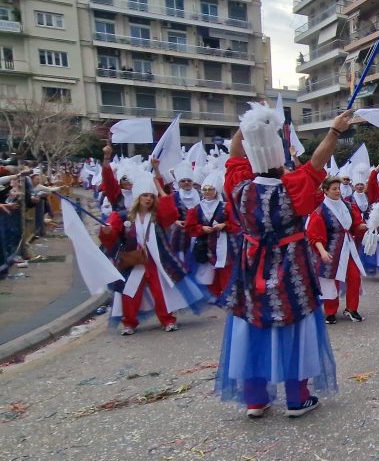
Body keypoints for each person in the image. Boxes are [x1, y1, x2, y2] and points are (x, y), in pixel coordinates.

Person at [215, 105, 351, 419]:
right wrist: (334, 130)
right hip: (292, 268)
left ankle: (255, 398)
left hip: (252, 267)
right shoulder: (294, 188)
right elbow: (317, 162)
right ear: (280, 160)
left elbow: (235, 154)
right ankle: (297, 397)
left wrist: (248, 125)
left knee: (252, 324)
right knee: (295, 326)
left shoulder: (239, 188)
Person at [99, 161, 207, 335]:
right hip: (135, 261)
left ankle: (167, 320)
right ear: (137, 198)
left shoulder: (158, 216)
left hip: (157, 261)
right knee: (130, 293)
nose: (148, 198)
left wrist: (159, 186)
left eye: (150, 195)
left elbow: (171, 212)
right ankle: (129, 323)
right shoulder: (122, 216)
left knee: (161, 291)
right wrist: (106, 230)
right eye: (144, 195)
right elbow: (109, 235)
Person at [309, 176, 367, 324]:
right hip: (332, 249)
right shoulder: (321, 210)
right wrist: (322, 252)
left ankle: (352, 308)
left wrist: (369, 225)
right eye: (334, 189)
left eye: (338, 188)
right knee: (330, 280)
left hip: (348, 247)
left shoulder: (347, 206)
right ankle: (330, 311)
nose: (337, 191)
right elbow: (315, 235)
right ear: (325, 191)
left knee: (354, 276)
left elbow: (356, 225)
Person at [184, 171, 235, 298]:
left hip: (223, 244)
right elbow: (189, 227)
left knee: (224, 270)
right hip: (205, 245)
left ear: (216, 190)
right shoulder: (196, 209)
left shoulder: (226, 207)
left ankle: (226, 294)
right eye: (205, 189)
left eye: (210, 189)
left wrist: (224, 225)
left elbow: (236, 224)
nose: (207, 192)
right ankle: (216, 294)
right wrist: (201, 229)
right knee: (207, 274)